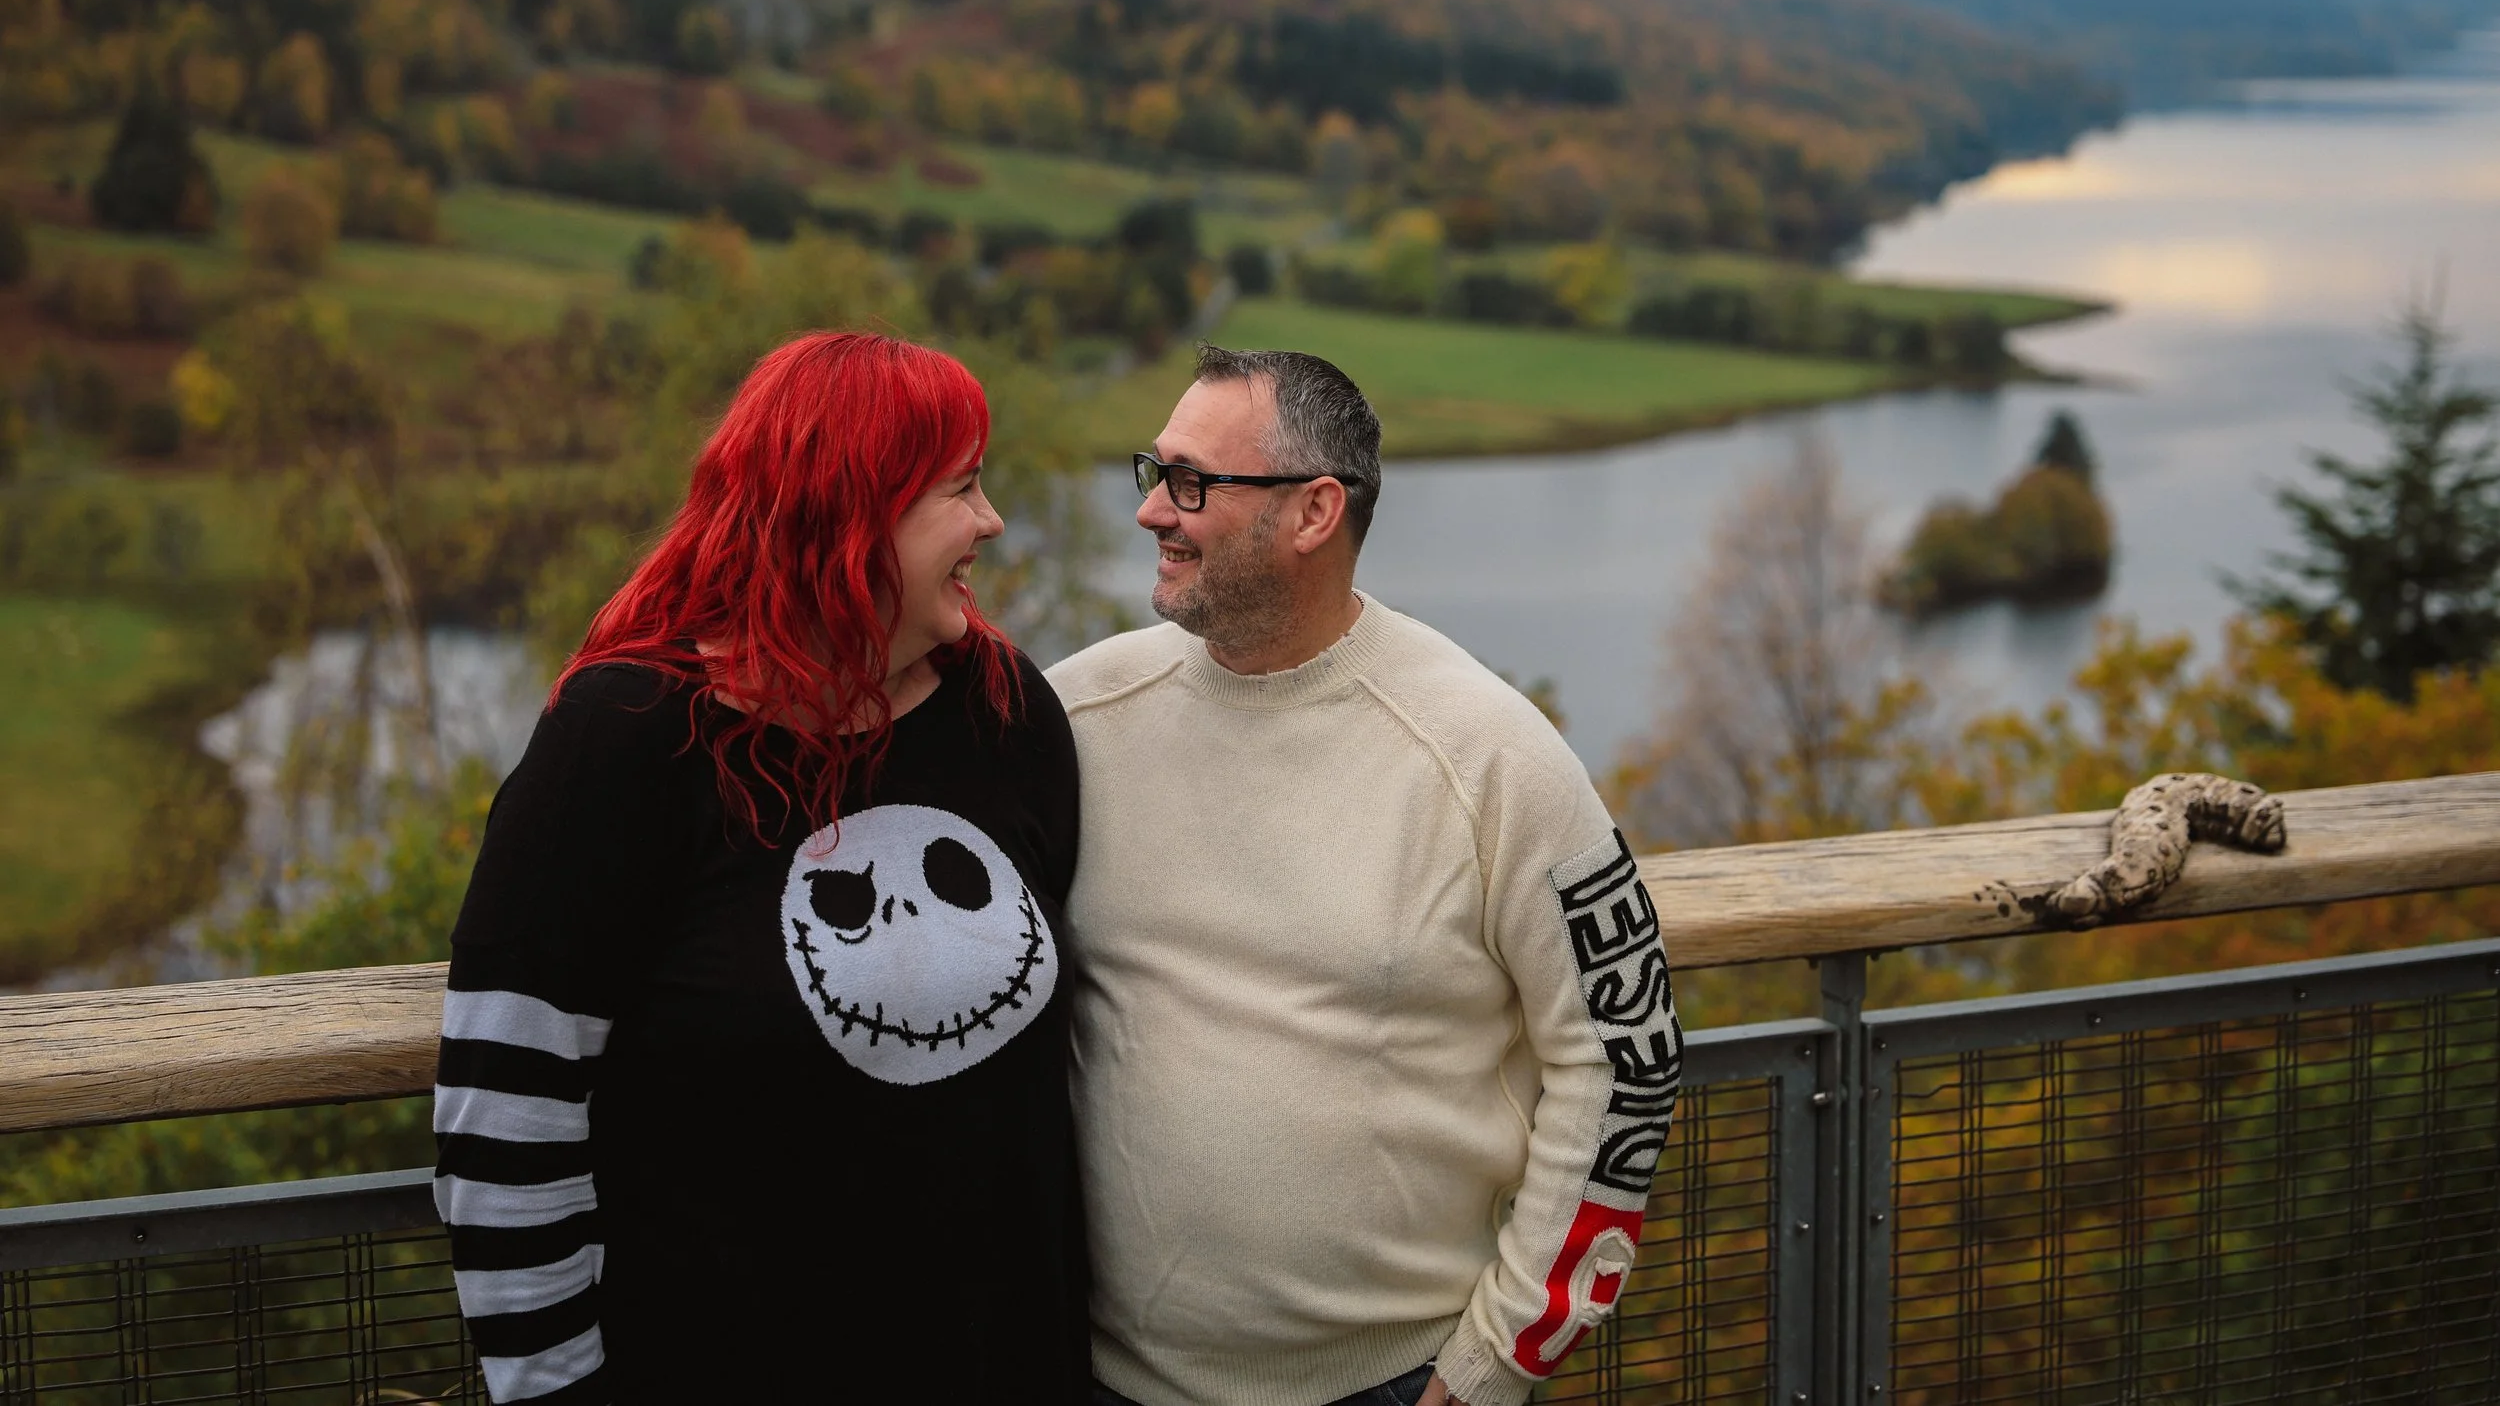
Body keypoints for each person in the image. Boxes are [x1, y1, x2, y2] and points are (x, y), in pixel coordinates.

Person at [431, 333, 1089, 1405]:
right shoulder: (627, 738)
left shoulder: (1001, 707)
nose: (991, 520)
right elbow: (508, 1110)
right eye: (960, 488)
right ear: (850, 514)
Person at [1046, 345, 1683, 1406]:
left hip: (1388, 1385)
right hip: (1100, 1374)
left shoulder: (1493, 754)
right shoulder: (1073, 714)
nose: (1155, 509)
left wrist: (1494, 1364)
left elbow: (1628, 1055)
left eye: (1193, 481)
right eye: (1151, 470)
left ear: (1312, 512)